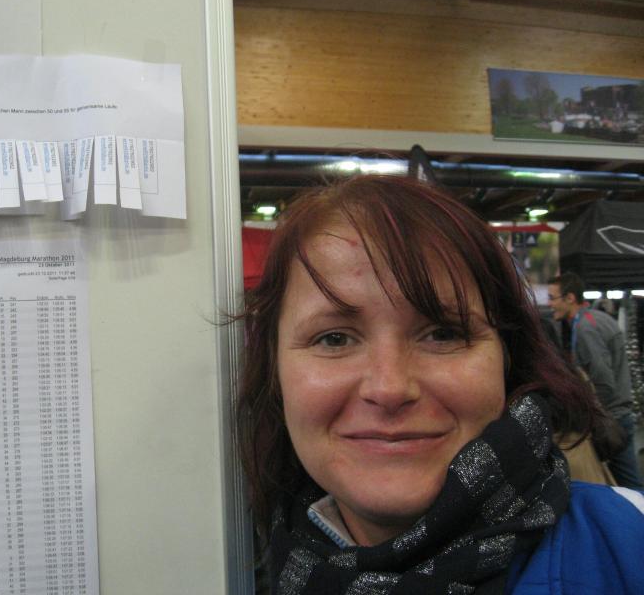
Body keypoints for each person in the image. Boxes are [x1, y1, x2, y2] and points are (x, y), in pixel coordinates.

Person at [236, 176, 644, 594]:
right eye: (335, 338)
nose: (390, 388)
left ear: (508, 358)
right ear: (274, 370)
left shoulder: (629, 544)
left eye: (443, 334)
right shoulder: (241, 570)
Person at [547, 272, 643, 489]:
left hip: (612, 416)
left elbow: (603, 381)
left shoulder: (585, 328)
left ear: (570, 298)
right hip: (618, 413)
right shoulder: (596, 318)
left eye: (553, 298)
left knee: (628, 484)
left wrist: (592, 416)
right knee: (627, 482)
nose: (550, 304)